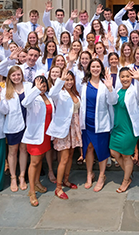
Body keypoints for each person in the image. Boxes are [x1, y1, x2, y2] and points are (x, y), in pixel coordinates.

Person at [107, 67, 139, 193]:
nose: (125, 79)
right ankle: (128, 173)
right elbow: (112, 101)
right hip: (118, 127)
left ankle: (125, 180)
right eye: (123, 76)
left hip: (129, 128)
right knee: (113, 151)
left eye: (127, 76)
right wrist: (109, 88)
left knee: (126, 155)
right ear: (119, 78)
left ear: (131, 78)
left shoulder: (134, 91)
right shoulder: (118, 91)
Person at [80, 58, 113, 192]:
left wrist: (110, 88)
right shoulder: (84, 84)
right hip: (87, 122)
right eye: (93, 66)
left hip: (101, 123)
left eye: (97, 66)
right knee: (88, 148)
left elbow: (113, 101)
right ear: (89, 69)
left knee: (101, 150)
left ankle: (101, 176)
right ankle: (89, 174)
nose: (95, 69)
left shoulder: (105, 84)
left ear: (101, 69)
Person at [0, 63, 31, 192]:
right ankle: (13, 177)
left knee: (24, 150)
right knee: (12, 151)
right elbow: (4, 110)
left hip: (27, 123)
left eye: (18, 74)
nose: (16, 77)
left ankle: (22, 176)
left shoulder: (28, 86)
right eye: (14, 75)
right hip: (13, 124)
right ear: (9, 77)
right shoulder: (5, 89)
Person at [49, 69, 81, 199]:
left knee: (71, 155)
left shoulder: (74, 93)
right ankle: (58, 187)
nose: (69, 82)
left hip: (74, 127)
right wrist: (60, 80)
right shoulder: (59, 93)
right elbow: (51, 93)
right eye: (66, 80)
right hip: (64, 128)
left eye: (70, 79)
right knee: (64, 158)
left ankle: (66, 180)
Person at [23, 76, 55, 206]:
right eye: (39, 85)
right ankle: (32, 191)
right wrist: (35, 89)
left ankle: (36, 183)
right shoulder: (32, 97)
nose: (42, 87)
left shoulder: (48, 96)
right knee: (34, 162)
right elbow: (24, 103)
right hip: (35, 134)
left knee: (40, 159)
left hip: (46, 134)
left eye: (43, 85)